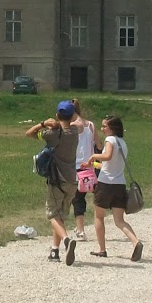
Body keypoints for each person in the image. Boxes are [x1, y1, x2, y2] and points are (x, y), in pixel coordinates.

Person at [25, 100, 80, 265]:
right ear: (72, 116)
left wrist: (43, 124)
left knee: (52, 215)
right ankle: (54, 251)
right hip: (72, 180)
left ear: (57, 115)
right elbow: (77, 121)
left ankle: (66, 240)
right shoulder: (75, 131)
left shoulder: (53, 134)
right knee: (61, 216)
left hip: (57, 180)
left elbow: (29, 133)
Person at [84, 114, 143, 262]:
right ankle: (135, 242)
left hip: (105, 184)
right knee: (119, 221)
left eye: (105, 126)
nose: (102, 129)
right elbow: (108, 165)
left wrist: (93, 156)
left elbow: (108, 156)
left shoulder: (109, 140)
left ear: (112, 128)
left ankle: (102, 249)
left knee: (99, 216)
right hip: (119, 184)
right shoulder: (122, 143)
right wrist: (93, 165)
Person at [69, 99, 96, 242]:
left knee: (77, 199)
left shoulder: (72, 125)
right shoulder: (90, 125)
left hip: (76, 167)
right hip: (89, 167)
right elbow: (98, 144)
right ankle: (81, 227)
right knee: (81, 197)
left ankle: (80, 230)